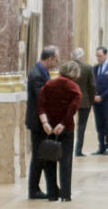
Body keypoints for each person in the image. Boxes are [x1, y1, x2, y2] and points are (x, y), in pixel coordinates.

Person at [34, 55, 78, 200]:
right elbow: (72, 109)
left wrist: (45, 123)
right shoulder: (74, 88)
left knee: (50, 160)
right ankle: (65, 194)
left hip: (49, 128)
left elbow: (41, 104)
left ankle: (52, 193)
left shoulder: (49, 84)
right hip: (66, 128)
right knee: (66, 162)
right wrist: (63, 124)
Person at [25, 46, 58, 197]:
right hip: (38, 123)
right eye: (56, 59)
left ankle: (46, 188)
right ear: (50, 59)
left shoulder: (42, 71)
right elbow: (41, 99)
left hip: (42, 121)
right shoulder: (37, 74)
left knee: (42, 155)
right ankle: (34, 190)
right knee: (38, 157)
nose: (57, 62)